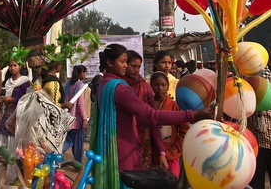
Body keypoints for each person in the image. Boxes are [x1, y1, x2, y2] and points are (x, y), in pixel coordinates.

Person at [90, 44, 214, 187]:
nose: (126, 66)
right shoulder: (120, 88)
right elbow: (152, 115)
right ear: (109, 63)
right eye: (123, 62)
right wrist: (193, 115)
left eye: (126, 62)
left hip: (111, 149)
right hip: (124, 152)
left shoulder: (104, 85)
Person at [0, 59, 30, 188]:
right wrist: (2, 100)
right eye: (10, 65)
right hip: (5, 120)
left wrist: (13, 99)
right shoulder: (7, 82)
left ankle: (17, 181)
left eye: (15, 65)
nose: (12, 68)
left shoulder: (25, 82)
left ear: (20, 66)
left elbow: (29, 99)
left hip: (18, 121)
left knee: (16, 155)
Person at [123, 50, 164, 170]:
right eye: (133, 66)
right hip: (123, 135)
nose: (136, 70)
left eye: (139, 67)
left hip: (143, 139)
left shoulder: (145, 87)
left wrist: (161, 149)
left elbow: (153, 116)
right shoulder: (119, 85)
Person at [150, 72, 188, 178]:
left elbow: (184, 131)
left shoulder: (174, 106)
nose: (160, 88)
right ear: (151, 86)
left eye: (163, 85)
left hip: (171, 156)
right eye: (156, 85)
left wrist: (174, 150)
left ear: (168, 86)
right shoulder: (147, 106)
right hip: (151, 156)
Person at [63, 65, 89, 162]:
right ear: (81, 73)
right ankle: (79, 164)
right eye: (85, 72)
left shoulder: (68, 84)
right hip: (76, 120)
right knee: (78, 143)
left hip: (66, 118)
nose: (85, 74)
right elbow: (80, 104)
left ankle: (57, 155)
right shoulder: (80, 85)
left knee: (67, 140)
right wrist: (84, 119)